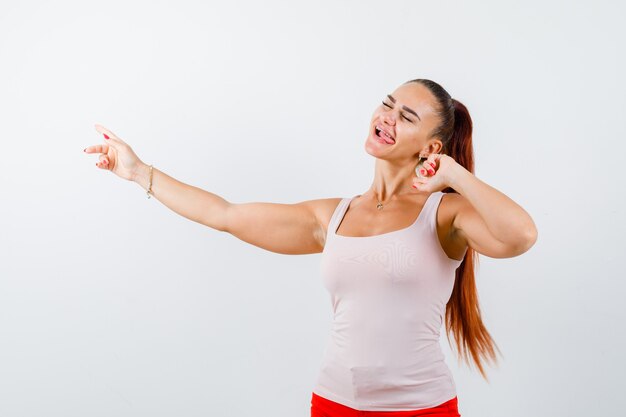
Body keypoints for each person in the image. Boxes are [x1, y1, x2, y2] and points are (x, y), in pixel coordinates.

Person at [84, 78, 538, 417]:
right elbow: (225, 214)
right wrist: (138, 171)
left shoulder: (445, 216)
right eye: (387, 104)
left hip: (421, 407)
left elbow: (520, 236)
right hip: (333, 402)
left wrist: (454, 175)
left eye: (407, 117)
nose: (387, 117)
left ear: (432, 146)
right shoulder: (332, 216)